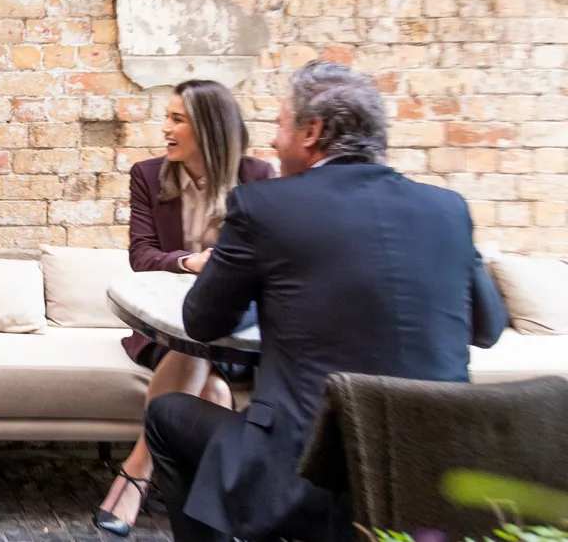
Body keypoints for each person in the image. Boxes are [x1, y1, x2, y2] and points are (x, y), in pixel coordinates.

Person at [143, 60, 509, 542]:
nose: (273, 141)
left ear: (311, 132)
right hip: (432, 476)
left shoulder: (265, 206)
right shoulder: (447, 208)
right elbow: (488, 329)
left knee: (167, 414)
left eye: (280, 125)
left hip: (307, 473)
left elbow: (203, 321)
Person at [96, 80, 275, 537]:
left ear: (209, 128)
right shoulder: (148, 176)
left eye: (178, 119)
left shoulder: (258, 177)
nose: (165, 129)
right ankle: (217, 508)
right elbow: (142, 255)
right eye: (167, 117)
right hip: (165, 331)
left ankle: (137, 470)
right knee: (206, 377)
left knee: (208, 366)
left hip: (232, 332)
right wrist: (193, 262)